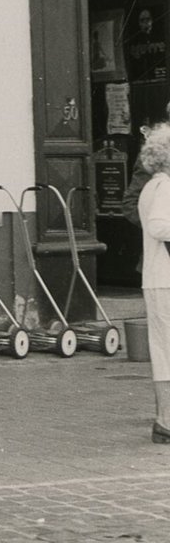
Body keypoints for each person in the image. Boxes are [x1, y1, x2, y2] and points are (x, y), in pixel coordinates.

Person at [135, 121, 170, 443]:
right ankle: (165, 420)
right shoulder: (165, 187)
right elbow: (160, 227)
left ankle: (165, 420)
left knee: (164, 350)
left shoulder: (153, 186)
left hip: (158, 277)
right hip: (166, 278)